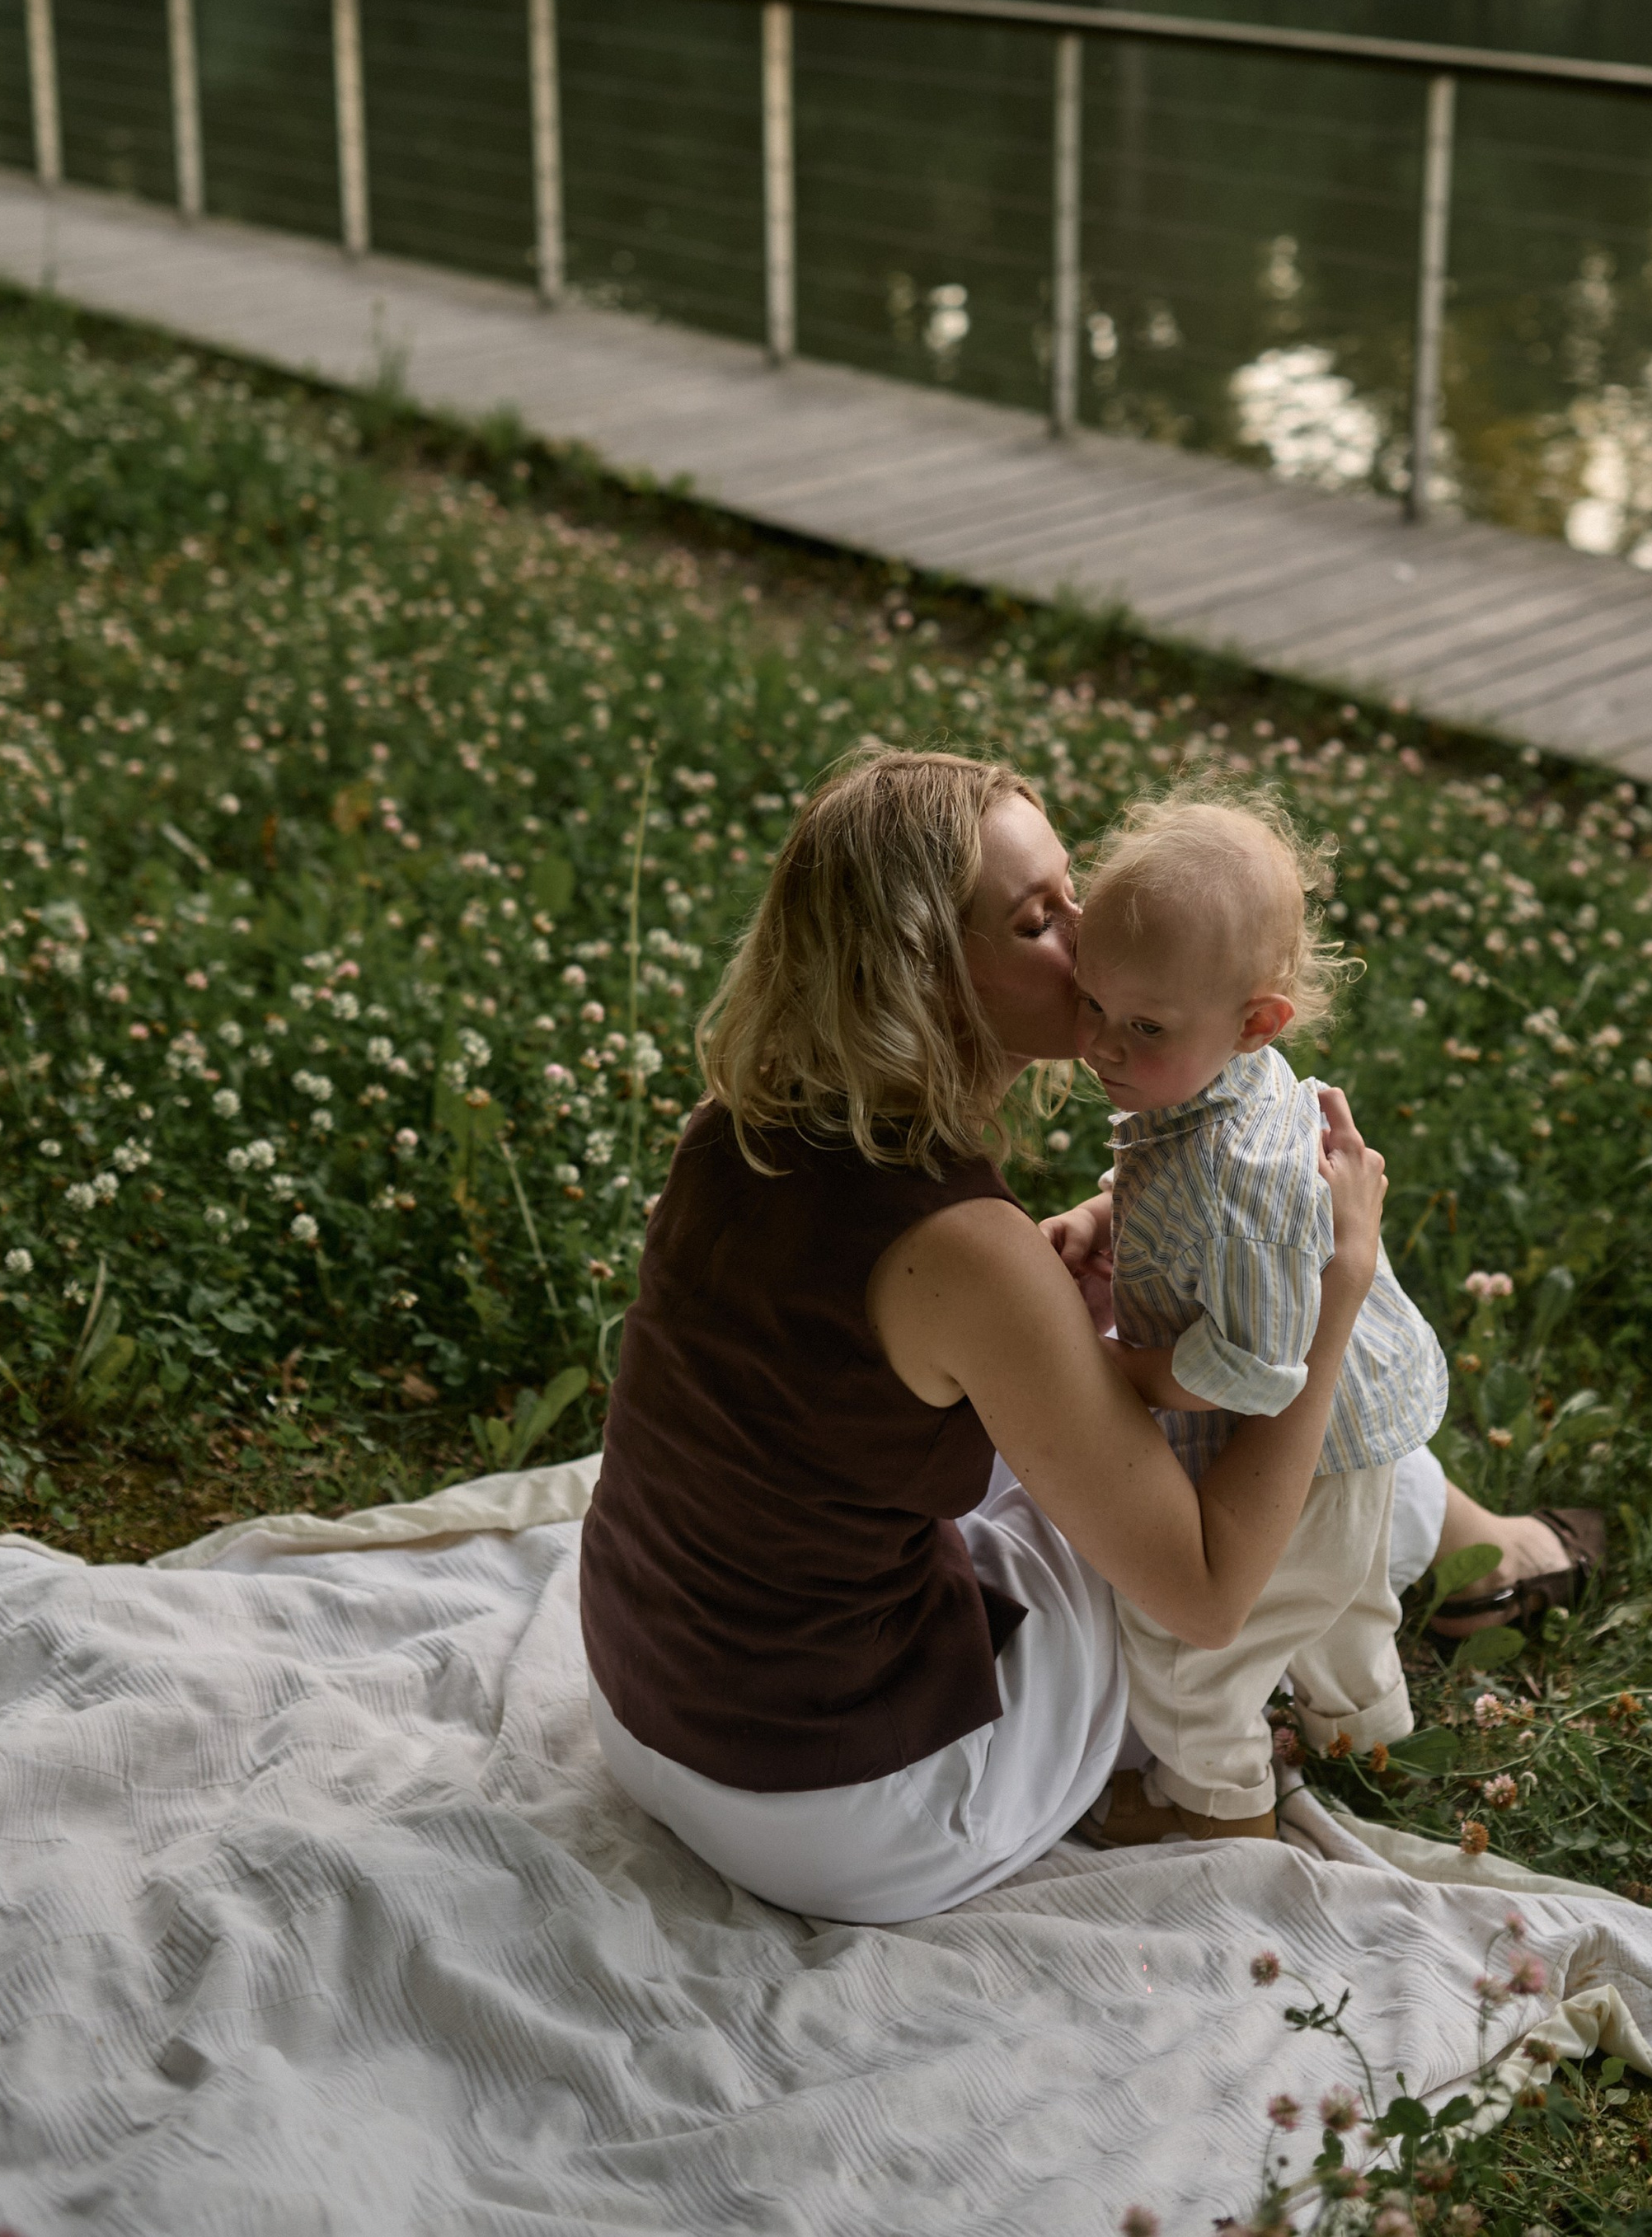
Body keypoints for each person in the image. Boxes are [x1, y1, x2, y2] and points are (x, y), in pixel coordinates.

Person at [577, 744, 1595, 1924]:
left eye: (1072, 888)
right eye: (1036, 916)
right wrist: (1336, 1289)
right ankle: (1495, 1564)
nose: (1086, 924)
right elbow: (1209, 1592)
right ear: (918, 973)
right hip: (851, 1798)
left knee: (1204, 1372)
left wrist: (1084, 1301)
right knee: (1291, 1439)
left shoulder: (739, 1115)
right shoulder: (965, 1251)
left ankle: (1489, 1547)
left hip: (653, 1707)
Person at [1044, 792, 1448, 1849]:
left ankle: (1216, 1806)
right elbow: (1165, 1183)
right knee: (1345, 1599)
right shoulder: (1216, 1084)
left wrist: (1124, 1376)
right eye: (1091, 1003)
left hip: (1294, 1451)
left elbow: (1259, 1371)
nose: (1100, 1044)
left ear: (1257, 1020)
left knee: (1193, 1655)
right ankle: (1360, 1731)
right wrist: (1103, 1214)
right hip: (1354, 1429)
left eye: (1142, 1026)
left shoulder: (1241, 1176)